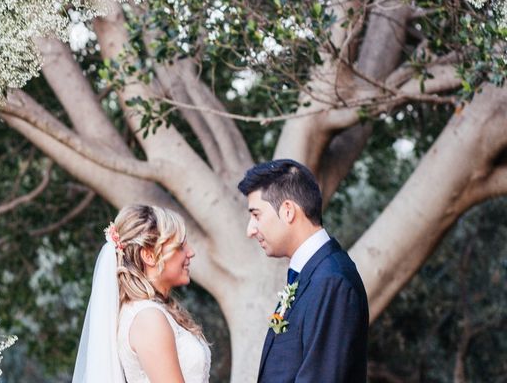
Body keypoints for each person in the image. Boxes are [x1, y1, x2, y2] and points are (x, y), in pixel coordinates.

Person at [238, 159, 369, 382]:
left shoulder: (331, 280)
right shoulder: (313, 274)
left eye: (256, 215)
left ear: (288, 211)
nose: (251, 230)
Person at [72, 204, 210, 383]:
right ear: (149, 256)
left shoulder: (151, 312)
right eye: (180, 247)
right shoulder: (148, 318)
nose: (191, 252)